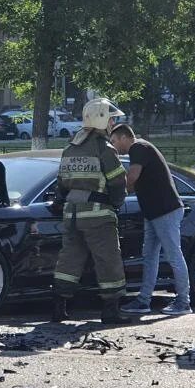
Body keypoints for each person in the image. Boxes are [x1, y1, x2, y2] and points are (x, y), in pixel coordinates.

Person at [49, 97, 130, 325]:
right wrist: (115, 203)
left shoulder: (70, 148)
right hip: (98, 216)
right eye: (112, 119)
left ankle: (59, 308)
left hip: (72, 215)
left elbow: (61, 183)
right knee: (108, 261)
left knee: (69, 261)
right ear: (102, 120)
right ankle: (111, 311)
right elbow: (117, 182)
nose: (113, 123)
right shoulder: (104, 148)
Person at [108, 124, 193, 316]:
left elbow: (132, 178)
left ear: (123, 138)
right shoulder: (141, 149)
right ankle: (144, 300)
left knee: (173, 255)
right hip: (153, 212)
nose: (113, 146)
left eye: (113, 142)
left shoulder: (138, 147)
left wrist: (114, 193)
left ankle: (183, 302)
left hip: (165, 210)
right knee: (149, 256)